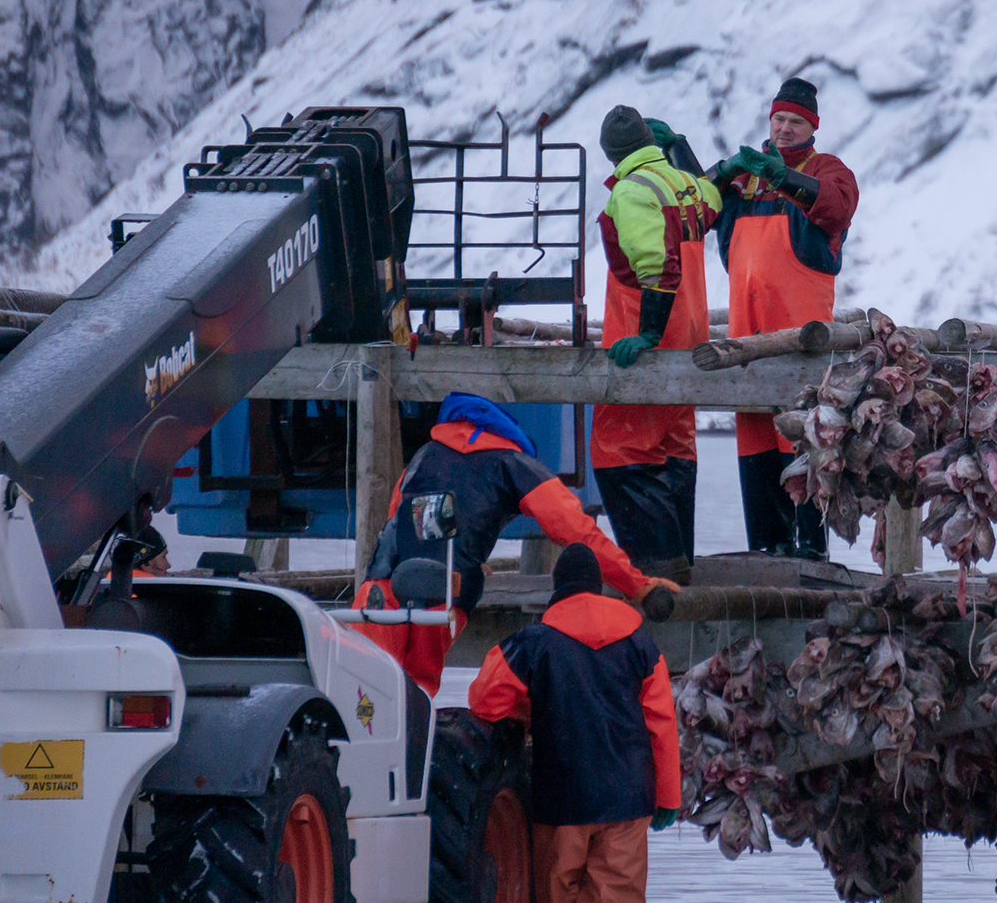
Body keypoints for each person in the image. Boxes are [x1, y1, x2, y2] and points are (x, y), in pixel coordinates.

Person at [350, 392, 677, 697]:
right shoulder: (513, 464)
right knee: (413, 698)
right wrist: (637, 585)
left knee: (360, 694)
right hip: (442, 593)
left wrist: (467, 547)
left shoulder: (425, 456)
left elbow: (406, 515)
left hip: (380, 584)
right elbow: (575, 529)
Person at [467, 542, 681, 903]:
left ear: (558, 589)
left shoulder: (534, 643)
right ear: (599, 587)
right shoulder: (641, 644)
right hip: (628, 801)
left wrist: (527, 712)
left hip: (562, 799)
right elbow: (661, 724)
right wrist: (668, 798)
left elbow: (484, 699)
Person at [710, 77, 859, 558]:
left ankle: (812, 556)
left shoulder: (829, 169)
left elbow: (835, 209)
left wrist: (779, 177)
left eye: (796, 122)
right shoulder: (744, 175)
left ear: (812, 127)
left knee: (802, 443)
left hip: (802, 342)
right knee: (754, 446)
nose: (785, 129)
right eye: (779, 119)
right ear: (768, 120)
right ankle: (765, 554)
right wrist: (711, 168)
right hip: (745, 342)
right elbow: (695, 210)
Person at [589, 107, 721, 579]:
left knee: (620, 445)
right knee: (674, 444)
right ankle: (680, 559)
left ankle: (656, 568)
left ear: (612, 155)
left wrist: (646, 332)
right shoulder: (683, 182)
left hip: (645, 340)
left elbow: (655, 266)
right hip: (690, 338)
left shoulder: (629, 191)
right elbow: (714, 194)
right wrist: (678, 149)